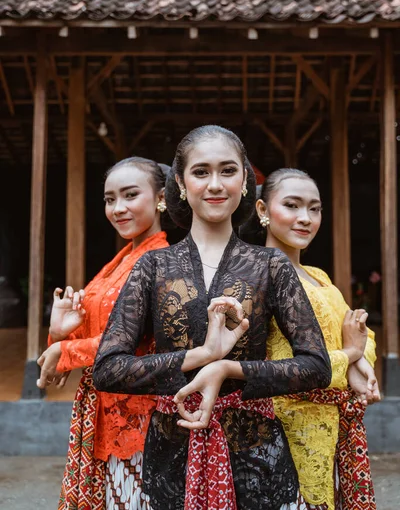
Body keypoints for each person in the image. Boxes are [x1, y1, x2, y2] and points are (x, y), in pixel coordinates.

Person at [93, 125, 332, 510]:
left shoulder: (269, 264)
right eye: (201, 172)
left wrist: (228, 370)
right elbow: (107, 368)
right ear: (182, 184)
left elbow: (317, 367)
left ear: (243, 183)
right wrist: (202, 356)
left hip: (257, 454)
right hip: (171, 453)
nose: (215, 184)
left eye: (228, 171)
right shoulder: (153, 266)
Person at [36, 157, 170, 510]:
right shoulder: (122, 260)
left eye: (130, 195)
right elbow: (99, 329)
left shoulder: (161, 260)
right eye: (110, 199)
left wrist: (66, 351)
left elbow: (135, 341)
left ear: (161, 198)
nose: (118, 208)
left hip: (138, 413)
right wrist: (60, 332)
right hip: (101, 404)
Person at [253, 168, 378, 510]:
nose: (305, 218)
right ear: (263, 211)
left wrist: (360, 361)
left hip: (333, 427)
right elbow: (270, 366)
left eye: (314, 208)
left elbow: (360, 331)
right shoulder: (255, 275)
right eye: (292, 206)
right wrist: (349, 355)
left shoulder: (319, 277)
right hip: (280, 432)